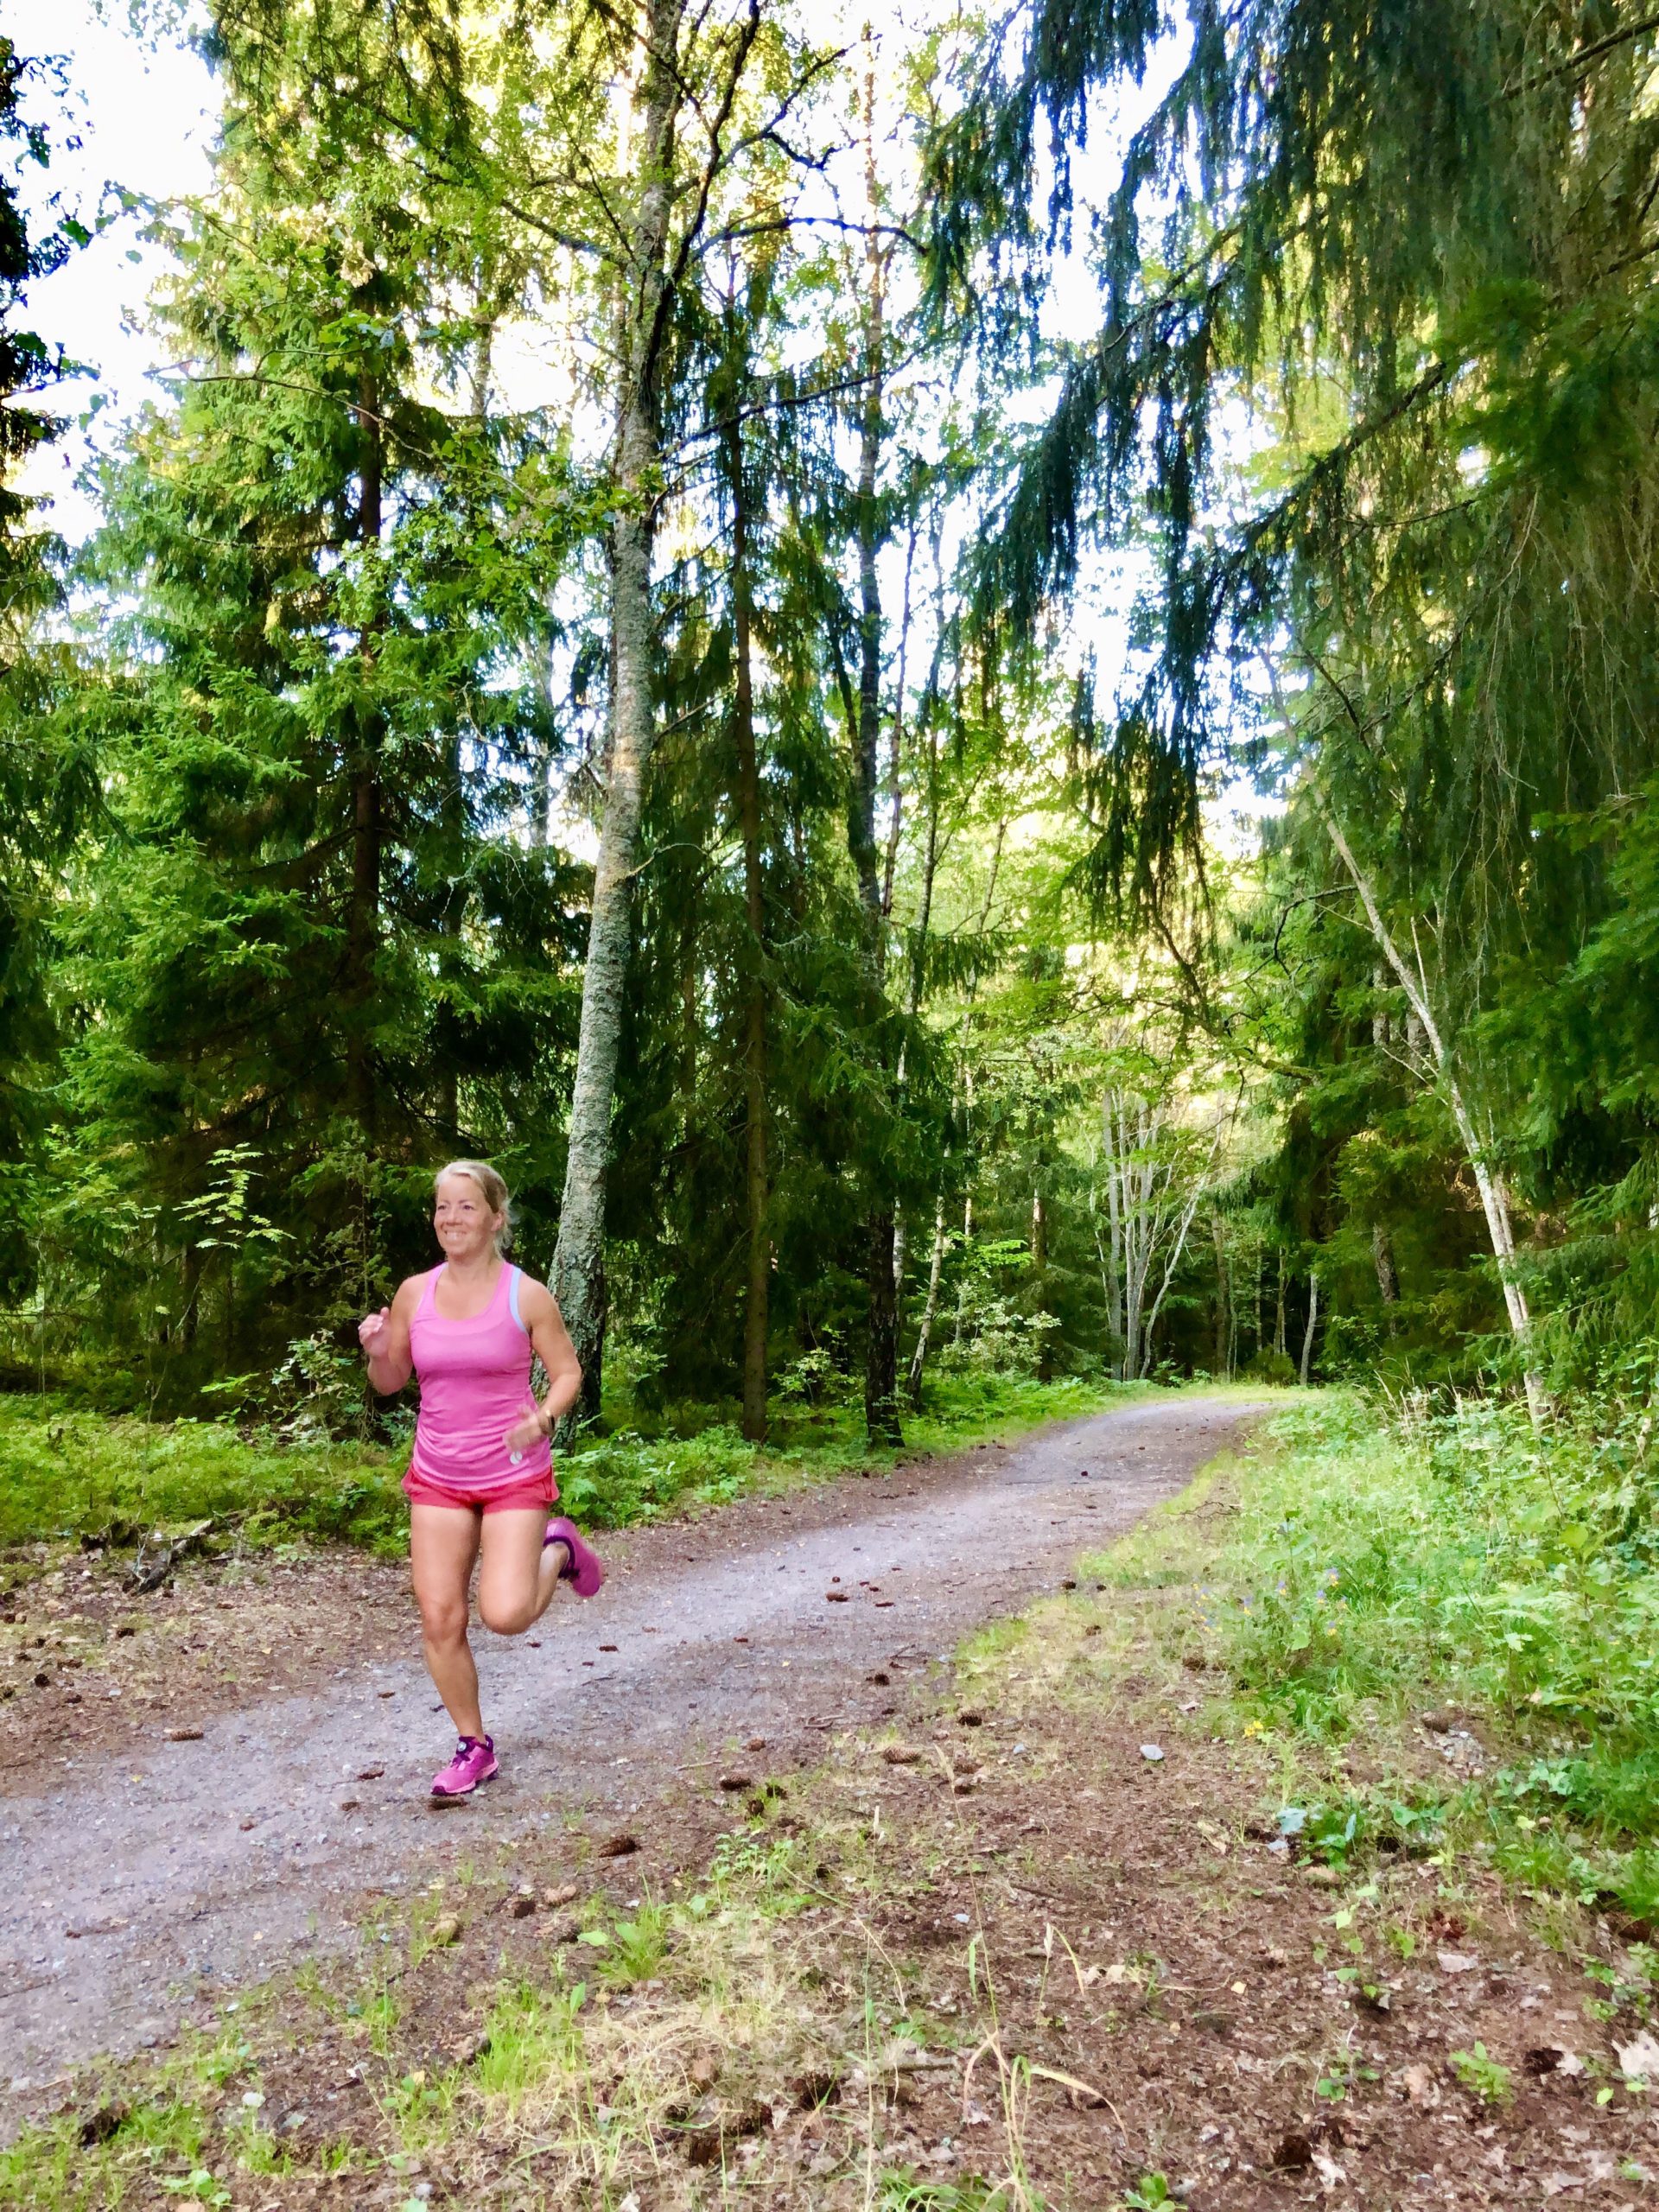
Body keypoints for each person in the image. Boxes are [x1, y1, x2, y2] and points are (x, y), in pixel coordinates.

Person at [358, 1160, 603, 1798]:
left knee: (506, 1614)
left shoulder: (526, 1294)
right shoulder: (415, 1293)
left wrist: (545, 1417)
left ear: (496, 1218)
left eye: (466, 1206)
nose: (451, 1218)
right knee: (440, 1618)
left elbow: (568, 1373)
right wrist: (379, 1352)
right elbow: (391, 1384)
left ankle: (559, 1548)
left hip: (512, 1471)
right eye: (442, 1207)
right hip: (438, 1472)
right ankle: (474, 1746)